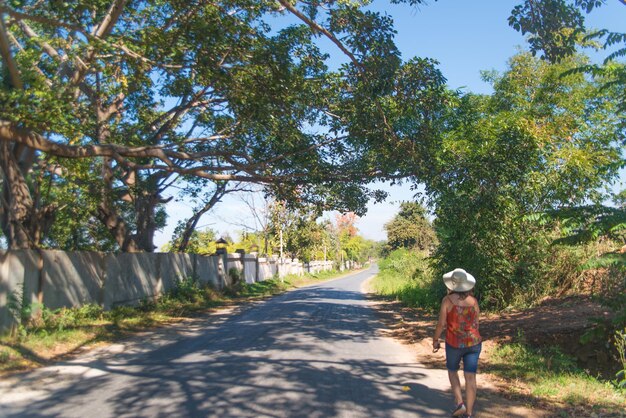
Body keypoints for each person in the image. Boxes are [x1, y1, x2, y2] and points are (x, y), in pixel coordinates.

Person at [433, 268, 482, 418]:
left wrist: (435, 340)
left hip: (454, 343)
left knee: (452, 371)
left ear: (452, 285)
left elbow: (441, 324)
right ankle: (468, 413)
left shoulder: (447, 301)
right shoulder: (473, 301)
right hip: (473, 343)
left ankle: (460, 403)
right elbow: (477, 323)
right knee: (470, 377)